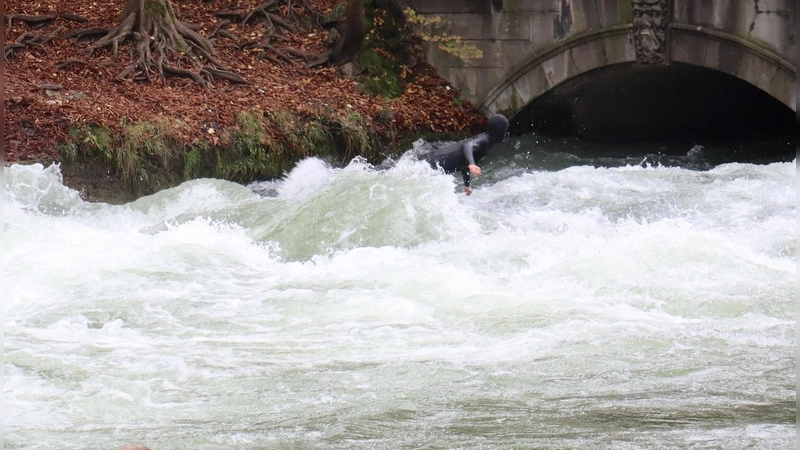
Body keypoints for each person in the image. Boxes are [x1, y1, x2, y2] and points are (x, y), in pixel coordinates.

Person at [422, 114, 509, 195]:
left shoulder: (484, 140)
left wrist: (467, 184)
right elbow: (467, 146)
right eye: (505, 130)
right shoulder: (484, 140)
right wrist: (472, 164)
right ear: (499, 132)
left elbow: (464, 162)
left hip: (430, 163)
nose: (505, 133)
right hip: (431, 163)